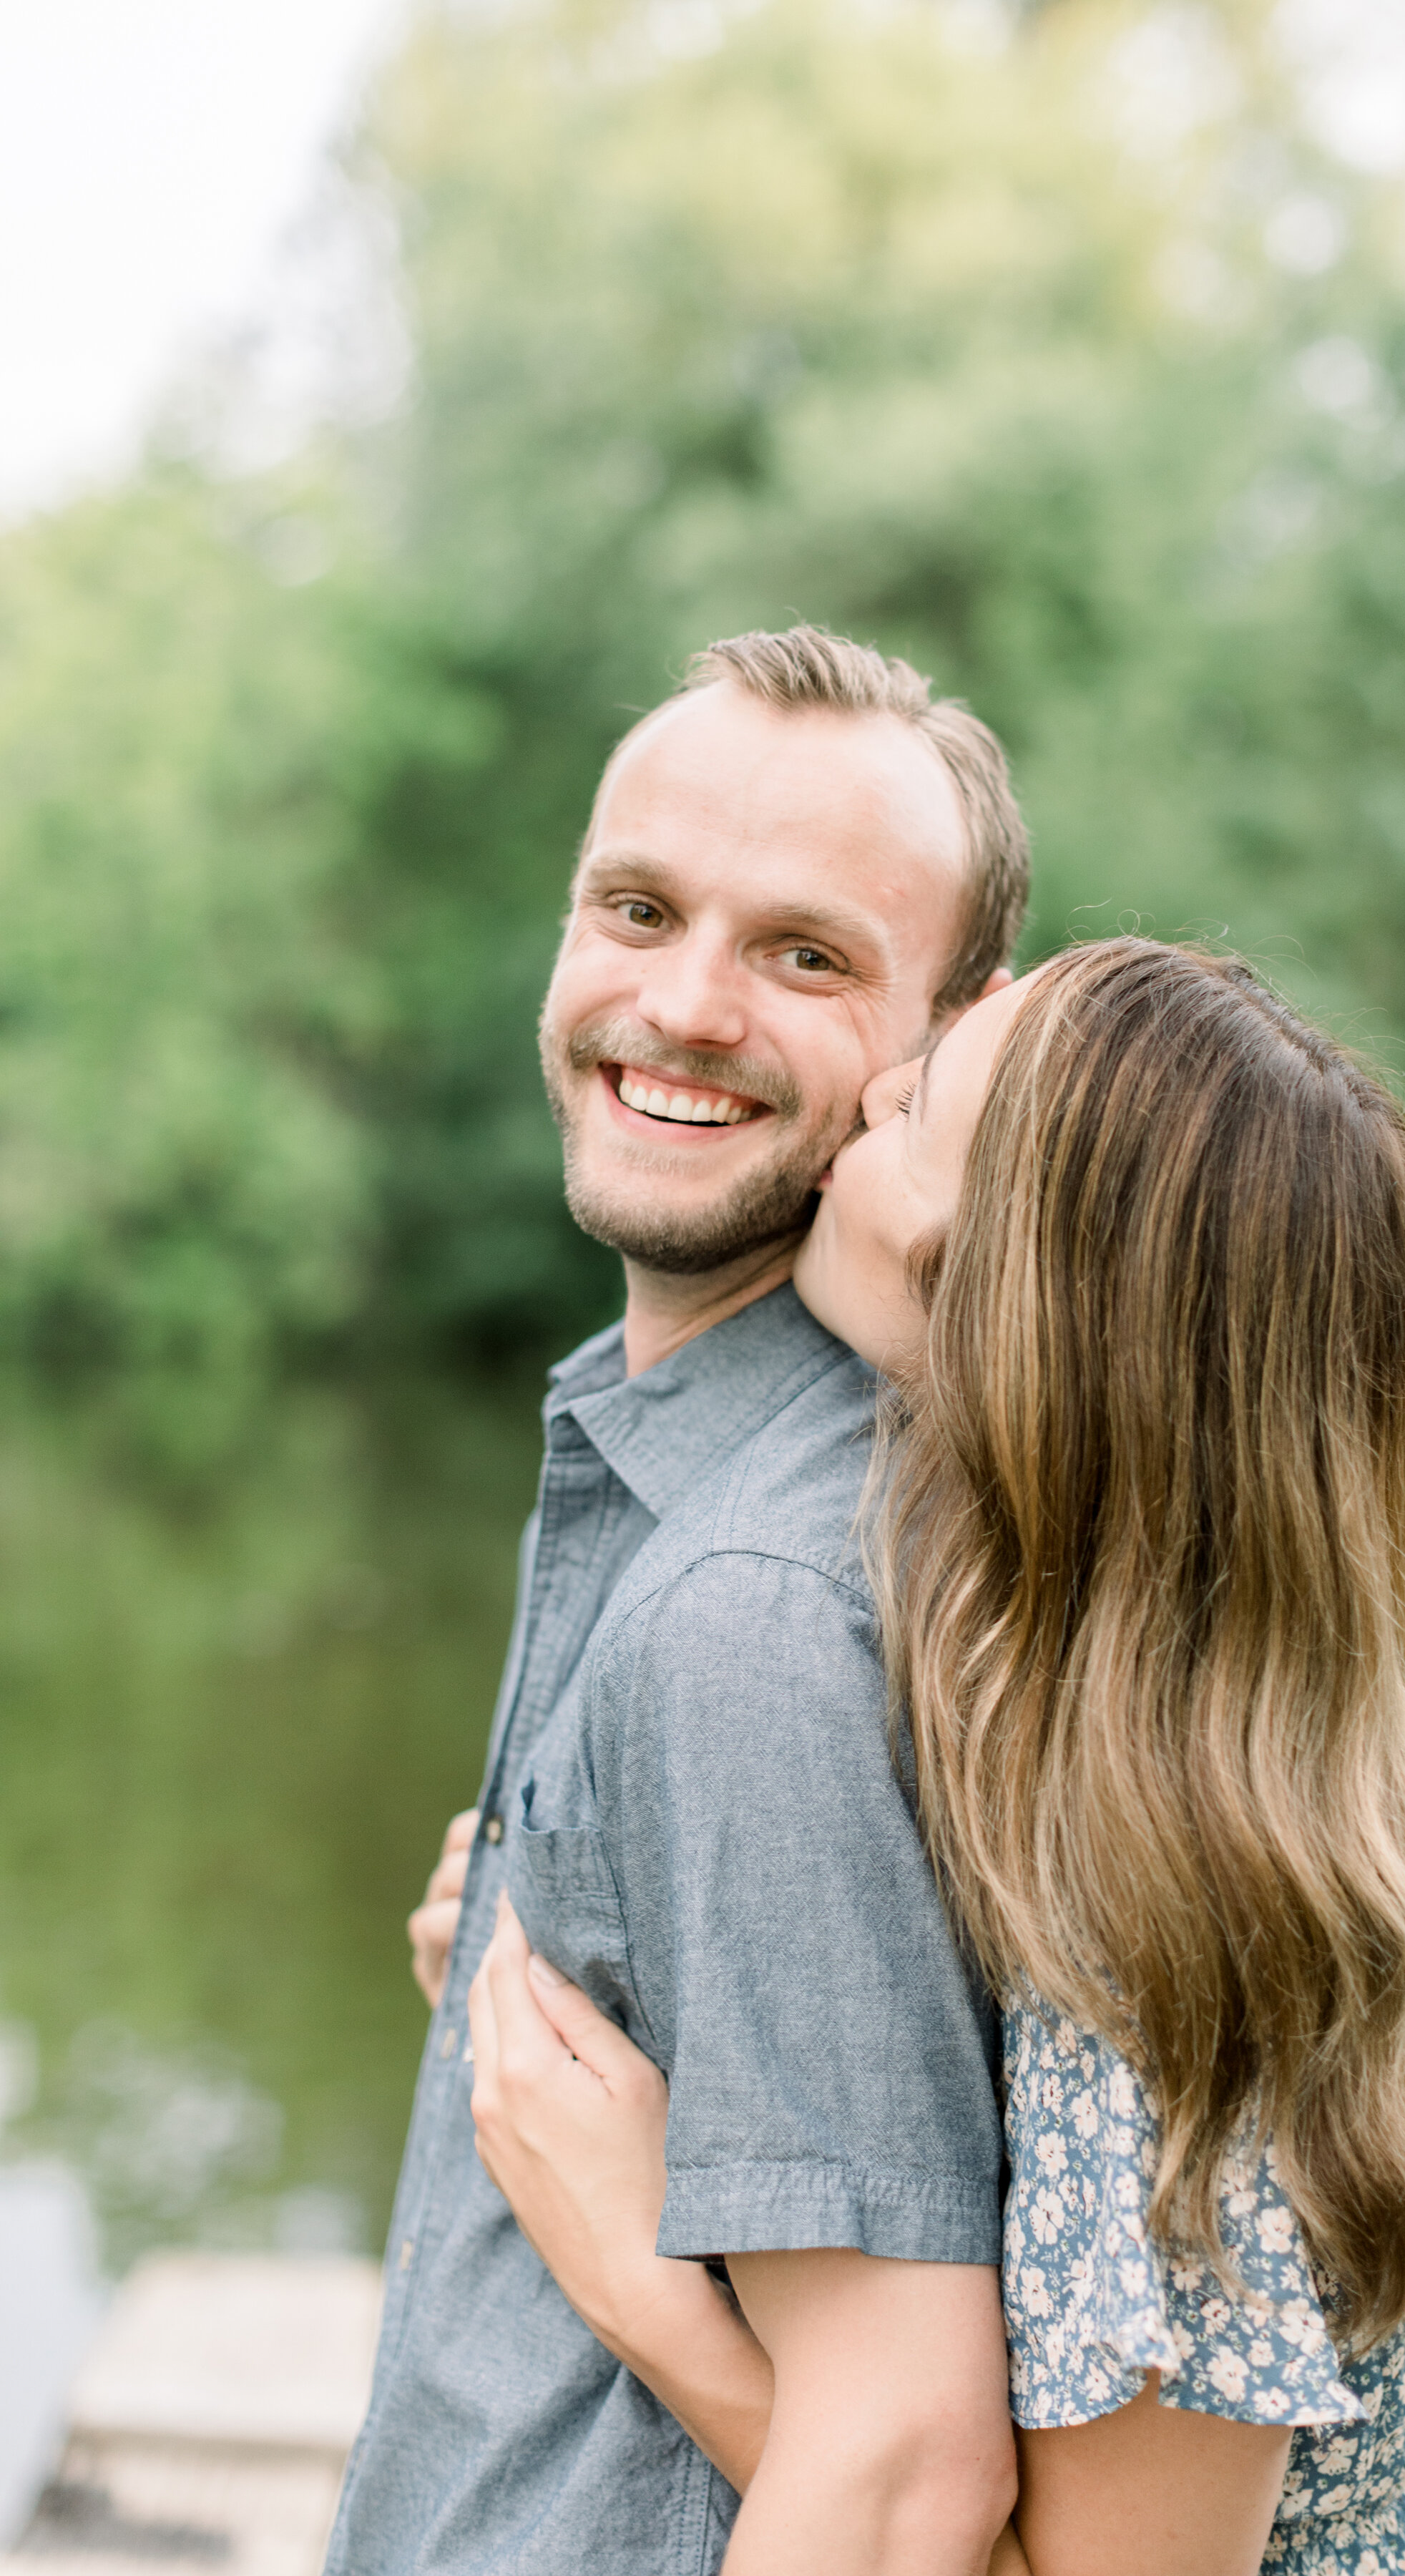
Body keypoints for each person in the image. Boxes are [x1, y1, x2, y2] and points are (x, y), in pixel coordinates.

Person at [466, 938, 1405, 2576]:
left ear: (984, 1302)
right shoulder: (1267, 1773)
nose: (863, 1091)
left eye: (910, 1109)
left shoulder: (1163, 1984)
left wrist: (643, 2291)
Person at [325, 625, 1034, 2576]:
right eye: (636, 908)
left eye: (808, 955)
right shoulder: (688, 1466)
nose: (682, 1004)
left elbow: (899, 2479)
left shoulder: (763, 1601)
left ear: (949, 1038)